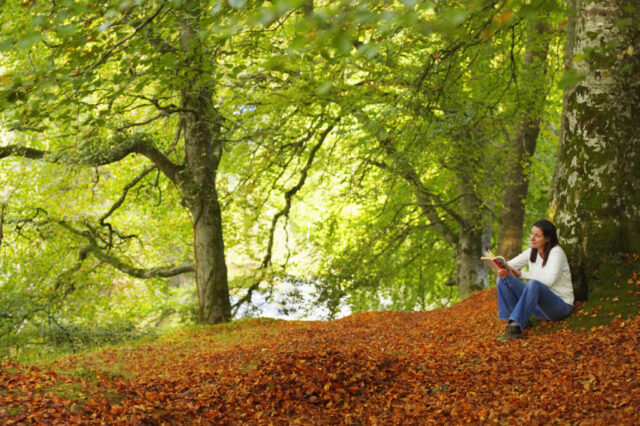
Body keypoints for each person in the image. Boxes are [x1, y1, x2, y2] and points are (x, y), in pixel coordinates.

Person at [496, 219, 574, 341]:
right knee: (503, 278)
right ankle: (515, 321)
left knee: (533, 285)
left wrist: (522, 273)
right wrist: (500, 267)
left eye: (537, 236)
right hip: (539, 308)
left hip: (560, 307)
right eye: (532, 234)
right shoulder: (532, 251)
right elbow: (510, 265)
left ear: (547, 238)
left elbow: (549, 281)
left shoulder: (556, 252)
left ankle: (515, 326)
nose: (532, 238)